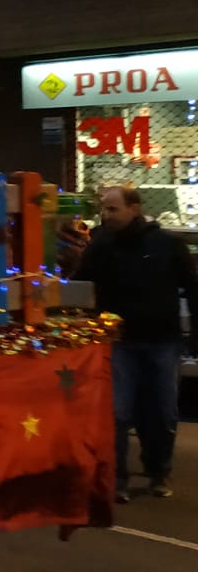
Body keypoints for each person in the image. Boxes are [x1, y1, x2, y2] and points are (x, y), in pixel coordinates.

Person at [73, 185, 198, 503]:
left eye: (113, 209)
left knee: (162, 413)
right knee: (118, 412)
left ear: (134, 208)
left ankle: (158, 471)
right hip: (119, 343)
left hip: (161, 342)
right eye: (104, 209)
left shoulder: (166, 245)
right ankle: (117, 479)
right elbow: (82, 282)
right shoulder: (103, 244)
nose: (106, 215)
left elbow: (192, 289)